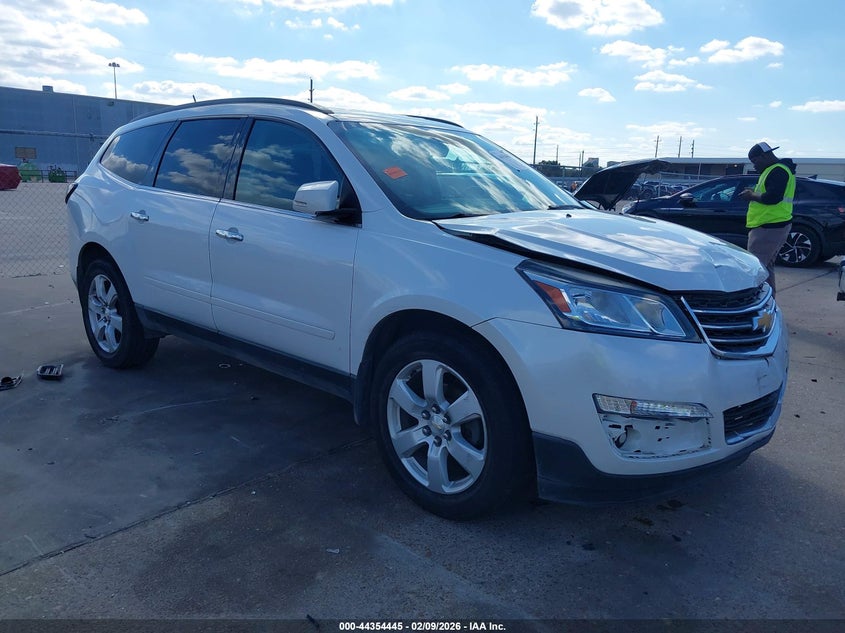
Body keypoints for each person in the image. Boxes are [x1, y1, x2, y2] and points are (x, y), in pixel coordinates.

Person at [738, 142, 796, 296]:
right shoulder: (776, 169)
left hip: (769, 226)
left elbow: (772, 197)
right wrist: (754, 193)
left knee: (756, 268)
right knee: (766, 268)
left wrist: (751, 195)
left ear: (764, 156)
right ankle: (769, 302)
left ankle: (756, 303)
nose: (754, 165)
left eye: (755, 161)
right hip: (773, 225)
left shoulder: (778, 171)